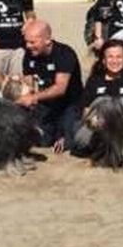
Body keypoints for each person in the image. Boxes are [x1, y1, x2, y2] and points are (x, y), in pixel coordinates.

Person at [20, 20, 83, 151]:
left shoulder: (64, 54)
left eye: (32, 42)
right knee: (41, 141)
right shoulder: (29, 55)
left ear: (47, 40)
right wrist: (24, 93)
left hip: (69, 103)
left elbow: (60, 88)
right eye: (26, 42)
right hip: (46, 103)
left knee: (70, 143)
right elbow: (28, 83)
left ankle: (64, 133)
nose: (28, 46)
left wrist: (33, 98)